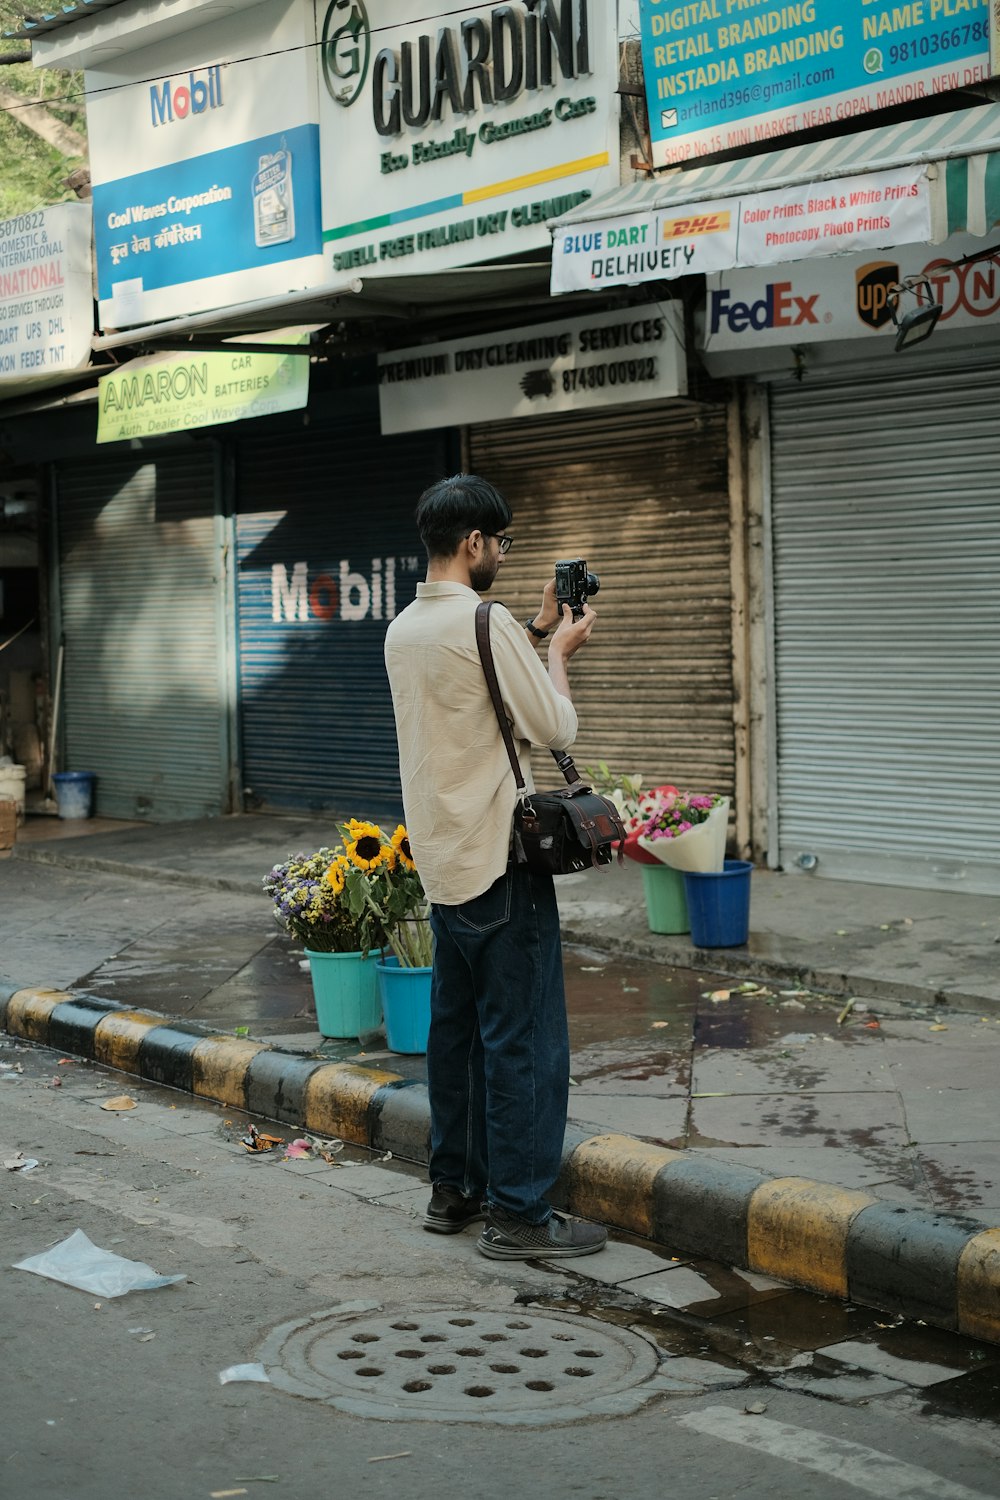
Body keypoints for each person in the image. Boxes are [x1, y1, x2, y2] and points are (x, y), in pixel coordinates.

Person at [383, 473, 607, 1261]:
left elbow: (466, 698)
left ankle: (455, 1193)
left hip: (443, 867)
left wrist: (524, 629)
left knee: (456, 1038)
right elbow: (554, 721)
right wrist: (557, 648)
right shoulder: (487, 624)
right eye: (502, 543)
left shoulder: (403, 627)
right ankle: (519, 1214)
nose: (504, 556)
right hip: (499, 865)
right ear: (475, 541)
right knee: (523, 1040)